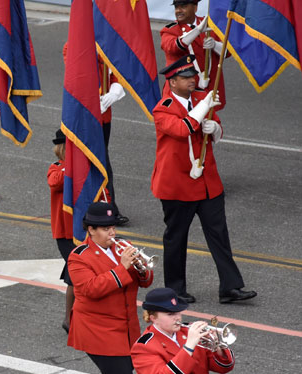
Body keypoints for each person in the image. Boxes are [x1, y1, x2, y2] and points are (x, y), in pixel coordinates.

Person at [151, 55, 256, 304]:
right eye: (186, 78)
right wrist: (204, 108)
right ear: (172, 82)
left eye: (193, 76)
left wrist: (215, 129)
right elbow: (182, 129)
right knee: (176, 238)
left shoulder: (201, 99)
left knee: (219, 235)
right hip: (177, 185)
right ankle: (175, 289)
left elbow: (217, 130)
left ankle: (230, 287)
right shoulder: (163, 108)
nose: (192, 81)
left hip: (207, 183)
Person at [67, 203, 153, 374]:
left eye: (113, 226)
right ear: (91, 230)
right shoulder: (78, 257)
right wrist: (122, 267)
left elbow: (144, 281)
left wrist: (142, 268)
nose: (112, 233)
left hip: (125, 328)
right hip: (97, 331)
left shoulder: (122, 248)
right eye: (105, 229)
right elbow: (90, 289)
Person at [61, 43, 129, 225]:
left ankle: (106, 206)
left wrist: (114, 92)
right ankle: (99, 208)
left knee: (102, 162)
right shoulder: (72, 45)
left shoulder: (108, 45)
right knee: (93, 162)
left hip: (104, 116)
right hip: (84, 117)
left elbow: (117, 73)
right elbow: (77, 76)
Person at [160, 0, 225, 110]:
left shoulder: (210, 25)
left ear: (195, 8)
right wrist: (198, 30)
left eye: (183, 6)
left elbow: (228, 51)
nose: (178, 11)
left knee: (209, 124)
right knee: (182, 125)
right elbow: (173, 46)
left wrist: (215, 45)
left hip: (208, 88)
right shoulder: (170, 30)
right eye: (176, 7)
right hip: (182, 92)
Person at [47, 129, 75, 332]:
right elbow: (55, 182)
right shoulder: (57, 167)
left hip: (82, 230)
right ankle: (69, 318)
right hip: (65, 232)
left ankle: (71, 318)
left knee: (75, 274)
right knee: (75, 274)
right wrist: (72, 166)